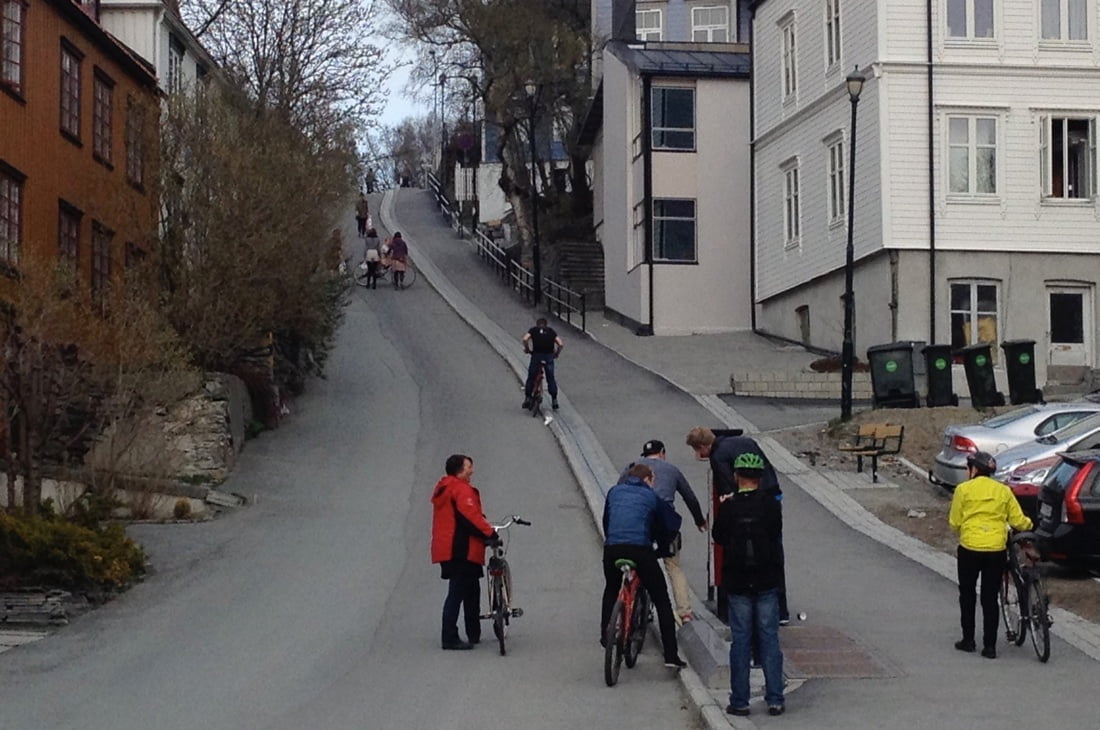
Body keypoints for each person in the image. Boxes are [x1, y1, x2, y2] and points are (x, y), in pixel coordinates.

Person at [686, 425, 790, 624]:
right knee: (774, 554)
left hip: (748, 510)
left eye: (697, 450)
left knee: (742, 556)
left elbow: (728, 490)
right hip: (772, 497)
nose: (698, 455)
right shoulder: (746, 442)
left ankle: (739, 612)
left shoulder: (718, 457)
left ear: (703, 445)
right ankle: (780, 610)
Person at [712, 452, 785, 718]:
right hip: (766, 579)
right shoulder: (770, 505)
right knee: (769, 639)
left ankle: (740, 701)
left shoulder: (729, 507)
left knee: (740, 641)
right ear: (759, 478)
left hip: (738, 581)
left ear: (736, 476)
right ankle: (775, 698)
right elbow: (776, 533)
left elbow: (717, 535)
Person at [602, 463, 687, 669]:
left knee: (612, 588)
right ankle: (670, 656)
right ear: (648, 479)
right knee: (661, 599)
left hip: (612, 548)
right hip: (640, 549)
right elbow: (669, 524)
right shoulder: (651, 497)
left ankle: (606, 636)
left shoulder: (614, 492)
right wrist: (664, 547)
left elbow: (607, 520)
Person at [948, 450, 1032, 659]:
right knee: (990, 596)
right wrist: (1030, 525)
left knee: (967, 593)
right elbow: (1018, 520)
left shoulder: (963, 490)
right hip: (995, 550)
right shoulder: (1003, 491)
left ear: (974, 469)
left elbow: (954, 523)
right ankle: (990, 647)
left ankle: (968, 640)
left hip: (969, 548)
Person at [620, 439, 707, 625]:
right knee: (673, 567)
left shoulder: (632, 467)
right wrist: (699, 520)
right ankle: (685, 613)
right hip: (664, 524)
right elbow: (690, 497)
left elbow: (619, 492)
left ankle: (629, 602)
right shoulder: (672, 470)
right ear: (663, 453)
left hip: (636, 522)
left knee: (635, 560)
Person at [430, 454, 498, 651]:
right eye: (469, 467)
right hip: (461, 549)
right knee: (458, 592)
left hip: (450, 547)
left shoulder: (446, 488)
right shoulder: (460, 489)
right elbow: (470, 517)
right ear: (460, 470)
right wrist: (490, 533)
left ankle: (473, 632)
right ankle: (449, 637)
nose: (472, 470)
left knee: (470, 589)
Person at [522, 317, 563, 410]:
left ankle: (528, 398)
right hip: (548, 356)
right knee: (551, 378)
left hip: (536, 356)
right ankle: (554, 400)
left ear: (537, 324)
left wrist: (527, 349)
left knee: (531, 377)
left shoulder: (533, 330)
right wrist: (556, 353)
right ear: (546, 324)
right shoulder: (551, 331)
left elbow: (525, 339)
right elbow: (560, 344)